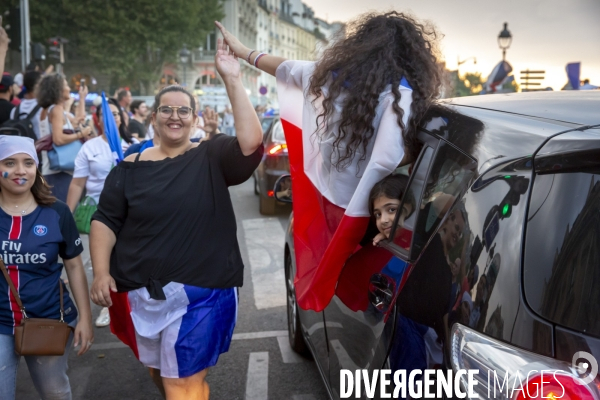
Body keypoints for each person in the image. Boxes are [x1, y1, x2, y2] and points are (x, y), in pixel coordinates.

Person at [89, 36, 263, 399]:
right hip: (143, 294)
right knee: (162, 374)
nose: (175, 116)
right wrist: (102, 272)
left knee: (177, 382)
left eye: (184, 110)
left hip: (202, 291)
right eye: (166, 109)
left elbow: (250, 144)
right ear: (153, 118)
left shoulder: (211, 155)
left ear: (195, 119)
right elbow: (105, 220)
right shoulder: (129, 167)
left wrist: (232, 77)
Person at [0, 136, 93, 400]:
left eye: (28, 163)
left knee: (55, 393)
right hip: (1, 321)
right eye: (10, 162)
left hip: (49, 318)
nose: (20, 170)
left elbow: (74, 267)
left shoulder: (57, 212)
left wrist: (85, 319)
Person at [37, 73, 93, 202]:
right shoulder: (56, 109)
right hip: (59, 174)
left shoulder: (47, 110)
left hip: (50, 171)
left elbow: (78, 120)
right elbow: (58, 139)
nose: (69, 88)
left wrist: (82, 98)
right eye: (66, 85)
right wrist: (81, 135)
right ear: (58, 89)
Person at [369, 174, 413, 247]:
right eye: (378, 214)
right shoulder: (380, 241)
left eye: (392, 209)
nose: (383, 220)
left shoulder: (424, 242)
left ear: (411, 206)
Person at [9, 71, 43, 138]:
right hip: (38, 147)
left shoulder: (14, 110)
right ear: (37, 86)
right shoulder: (44, 109)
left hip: (19, 147)